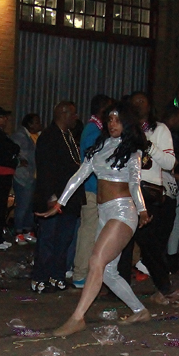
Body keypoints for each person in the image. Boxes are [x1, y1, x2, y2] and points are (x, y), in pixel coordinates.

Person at [38, 101, 152, 335]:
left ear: (127, 123)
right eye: (109, 119)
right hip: (104, 212)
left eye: (117, 120)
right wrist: (60, 203)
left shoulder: (132, 151)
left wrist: (142, 210)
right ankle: (140, 310)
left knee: (95, 262)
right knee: (108, 272)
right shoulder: (100, 147)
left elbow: (134, 183)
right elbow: (79, 176)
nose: (112, 124)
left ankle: (78, 317)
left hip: (123, 212)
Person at [117, 92, 178, 304]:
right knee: (123, 240)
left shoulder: (159, 129)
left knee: (149, 242)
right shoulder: (126, 130)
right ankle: (119, 287)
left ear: (149, 105)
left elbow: (170, 163)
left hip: (149, 192)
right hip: (127, 191)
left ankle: (164, 285)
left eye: (142, 102)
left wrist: (148, 147)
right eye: (135, 103)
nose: (138, 106)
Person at [32, 101, 83, 293]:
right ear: (63, 113)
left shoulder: (69, 135)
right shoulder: (48, 137)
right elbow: (45, 169)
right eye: (73, 113)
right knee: (48, 239)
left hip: (69, 199)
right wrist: (51, 196)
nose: (76, 117)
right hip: (53, 198)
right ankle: (40, 277)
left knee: (64, 240)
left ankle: (57, 275)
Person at [72, 94, 112, 288]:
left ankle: (84, 272)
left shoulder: (95, 129)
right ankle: (80, 274)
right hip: (91, 189)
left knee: (93, 231)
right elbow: (94, 160)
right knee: (88, 232)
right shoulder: (92, 131)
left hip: (95, 188)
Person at [0, 106, 21, 249]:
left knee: (1, 206)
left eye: (5, 117)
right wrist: (12, 150)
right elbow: (8, 147)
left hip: (5, 172)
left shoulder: (0, 132)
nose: (5, 120)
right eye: (1, 117)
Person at [10, 113, 41, 245]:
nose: (39, 125)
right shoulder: (20, 137)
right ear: (29, 124)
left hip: (32, 175)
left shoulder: (34, 136)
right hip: (23, 176)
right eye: (36, 122)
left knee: (29, 205)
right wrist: (19, 162)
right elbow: (17, 154)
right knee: (22, 205)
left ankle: (28, 230)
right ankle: (18, 231)